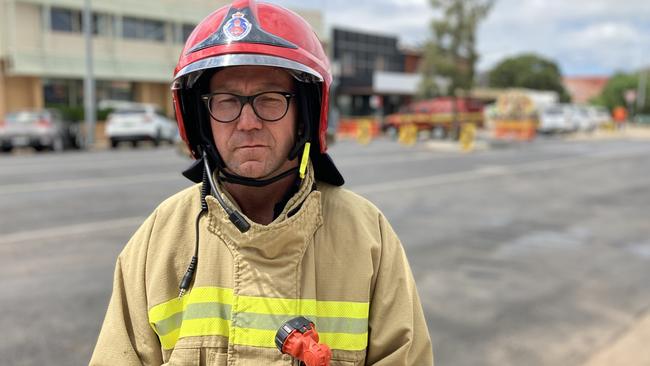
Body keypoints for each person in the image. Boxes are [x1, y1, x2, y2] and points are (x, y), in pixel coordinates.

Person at [90, 1, 433, 365]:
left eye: (270, 100)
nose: (248, 121)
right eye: (226, 102)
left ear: (305, 114)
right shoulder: (158, 240)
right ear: (201, 118)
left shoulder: (369, 237)